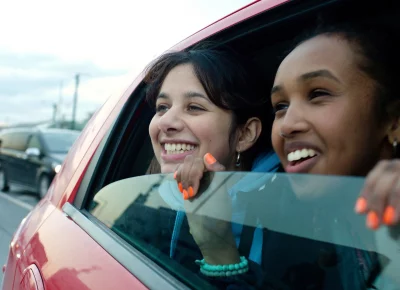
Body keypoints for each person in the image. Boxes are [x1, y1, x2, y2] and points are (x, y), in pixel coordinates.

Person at [172, 22, 400, 289]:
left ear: (393, 121)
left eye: (318, 94)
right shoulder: (318, 223)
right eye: (280, 106)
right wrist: (216, 245)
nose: (287, 125)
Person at [144, 45, 281, 273]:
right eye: (162, 107)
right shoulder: (144, 203)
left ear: (245, 134)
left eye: (194, 107)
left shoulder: (292, 215)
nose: (165, 122)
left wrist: (218, 247)